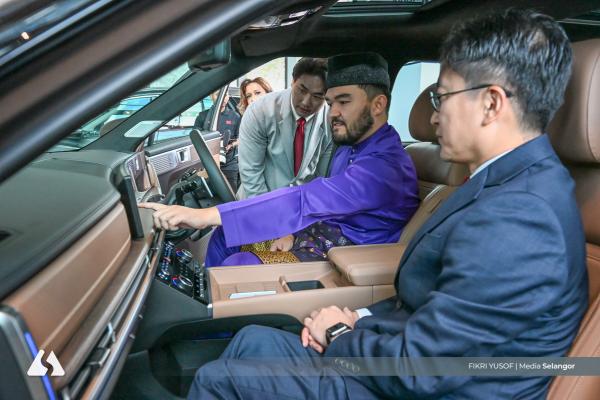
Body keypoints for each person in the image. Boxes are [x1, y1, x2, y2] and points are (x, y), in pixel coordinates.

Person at [178, 9, 587, 399]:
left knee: (221, 379)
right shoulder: (501, 183)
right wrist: (357, 318)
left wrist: (339, 334)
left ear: (492, 103)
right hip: (403, 354)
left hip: (430, 388)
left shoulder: (522, 214)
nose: (433, 117)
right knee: (252, 342)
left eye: (442, 98)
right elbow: (424, 306)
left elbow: (425, 370)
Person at [141, 52, 419, 268]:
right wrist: (291, 233)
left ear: (378, 105)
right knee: (224, 237)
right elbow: (316, 202)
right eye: (330, 102)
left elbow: (309, 199)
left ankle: (218, 319)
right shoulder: (353, 145)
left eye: (343, 102)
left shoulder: (385, 167)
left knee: (240, 264)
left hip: (346, 255)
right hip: (317, 236)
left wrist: (204, 216)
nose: (333, 112)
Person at [238, 58, 334, 198]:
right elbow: (251, 173)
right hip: (259, 198)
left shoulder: (331, 118)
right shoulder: (259, 111)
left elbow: (322, 176)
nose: (306, 102)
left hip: (301, 203)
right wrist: (265, 208)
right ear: (292, 82)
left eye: (317, 96)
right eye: (302, 90)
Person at [195, 89, 242, 191]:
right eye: (218, 95)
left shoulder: (235, 116)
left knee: (231, 194)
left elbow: (241, 138)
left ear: (228, 97)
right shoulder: (203, 116)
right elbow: (195, 139)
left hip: (229, 165)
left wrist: (231, 145)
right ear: (211, 96)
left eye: (225, 95)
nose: (223, 98)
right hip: (209, 164)